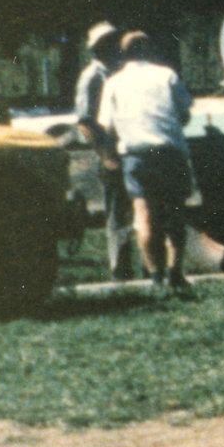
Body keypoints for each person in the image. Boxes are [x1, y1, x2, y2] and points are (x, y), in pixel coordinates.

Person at [98, 30, 195, 298]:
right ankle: (176, 271)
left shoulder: (113, 83)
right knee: (175, 213)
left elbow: (106, 125)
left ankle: (156, 277)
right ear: (149, 49)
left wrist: (108, 155)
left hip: (136, 154)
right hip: (169, 150)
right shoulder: (166, 75)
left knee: (144, 215)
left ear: (122, 54)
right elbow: (184, 113)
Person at [72, 22, 138, 280]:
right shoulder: (92, 77)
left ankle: (144, 265)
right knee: (117, 212)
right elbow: (85, 121)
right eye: (107, 42)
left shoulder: (120, 73)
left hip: (129, 145)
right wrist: (106, 155)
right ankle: (120, 267)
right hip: (110, 150)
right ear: (97, 48)